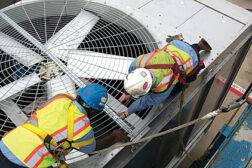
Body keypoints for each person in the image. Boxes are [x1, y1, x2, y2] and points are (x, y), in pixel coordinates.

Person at [0, 84, 130, 168]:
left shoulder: (60, 97)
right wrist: (113, 136)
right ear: (94, 111)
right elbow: (92, 150)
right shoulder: (83, 129)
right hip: (28, 162)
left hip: (7, 143)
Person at [118, 38, 212, 119]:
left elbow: (143, 103)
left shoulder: (163, 88)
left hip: (191, 58)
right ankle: (198, 46)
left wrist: (126, 114)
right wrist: (127, 93)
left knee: (185, 81)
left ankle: (197, 49)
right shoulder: (138, 62)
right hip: (176, 44)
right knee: (184, 52)